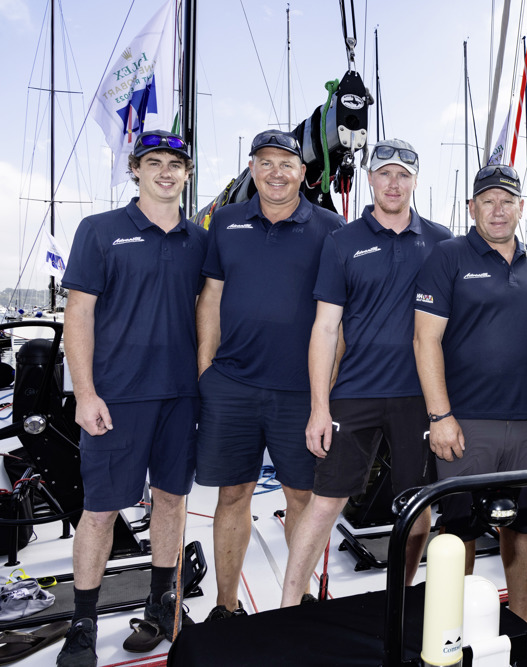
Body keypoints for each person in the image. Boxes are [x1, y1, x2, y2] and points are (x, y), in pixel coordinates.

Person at [279, 140, 451, 606]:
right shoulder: (343, 242)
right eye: (384, 174)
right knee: (326, 502)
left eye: (403, 174)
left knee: (417, 507)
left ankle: (404, 595)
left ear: (415, 181)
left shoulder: (443, 242)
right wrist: (319, 408)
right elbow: (326, 328)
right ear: (371, 179)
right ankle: (289, 606)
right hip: (355, 392)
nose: (393, 183)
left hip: (421, 398)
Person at [57, 131, 206, 666]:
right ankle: (82, 624)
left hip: (182, 395)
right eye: (154, 163)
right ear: (135, 170)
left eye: (176, 164)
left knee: (171, 500)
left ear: (187, 174)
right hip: (116, 398)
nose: (166, 172)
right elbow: (78, 315)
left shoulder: (200, 240)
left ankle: (162, 607)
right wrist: (86, 393)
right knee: (99, 510)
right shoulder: (100, 231)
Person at [413, 165, 527, 623]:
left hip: (526, 420)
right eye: (488, 201)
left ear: (521, 207)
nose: (498, 210)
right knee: (458, 525)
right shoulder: (448, 257)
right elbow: (425, 339)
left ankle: (520, 620)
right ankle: (453, 624)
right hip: (465, 421)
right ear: (472, 208)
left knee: (523, 522)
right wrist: (440, 416)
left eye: (507, 201)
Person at [196, 129, 345, 620]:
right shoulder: (226, 222)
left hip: (301, 391)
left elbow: (338, 315)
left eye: (287, 163)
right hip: (232, 385)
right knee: (232, 493)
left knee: (301, 496)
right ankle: (225, 605)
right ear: (253, 170)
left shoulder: (330, 227)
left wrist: (326, 391)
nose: (276, 172)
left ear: (304, 173)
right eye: (265, 162)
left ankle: (297, 600)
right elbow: (212, 297)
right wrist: (206, 370)